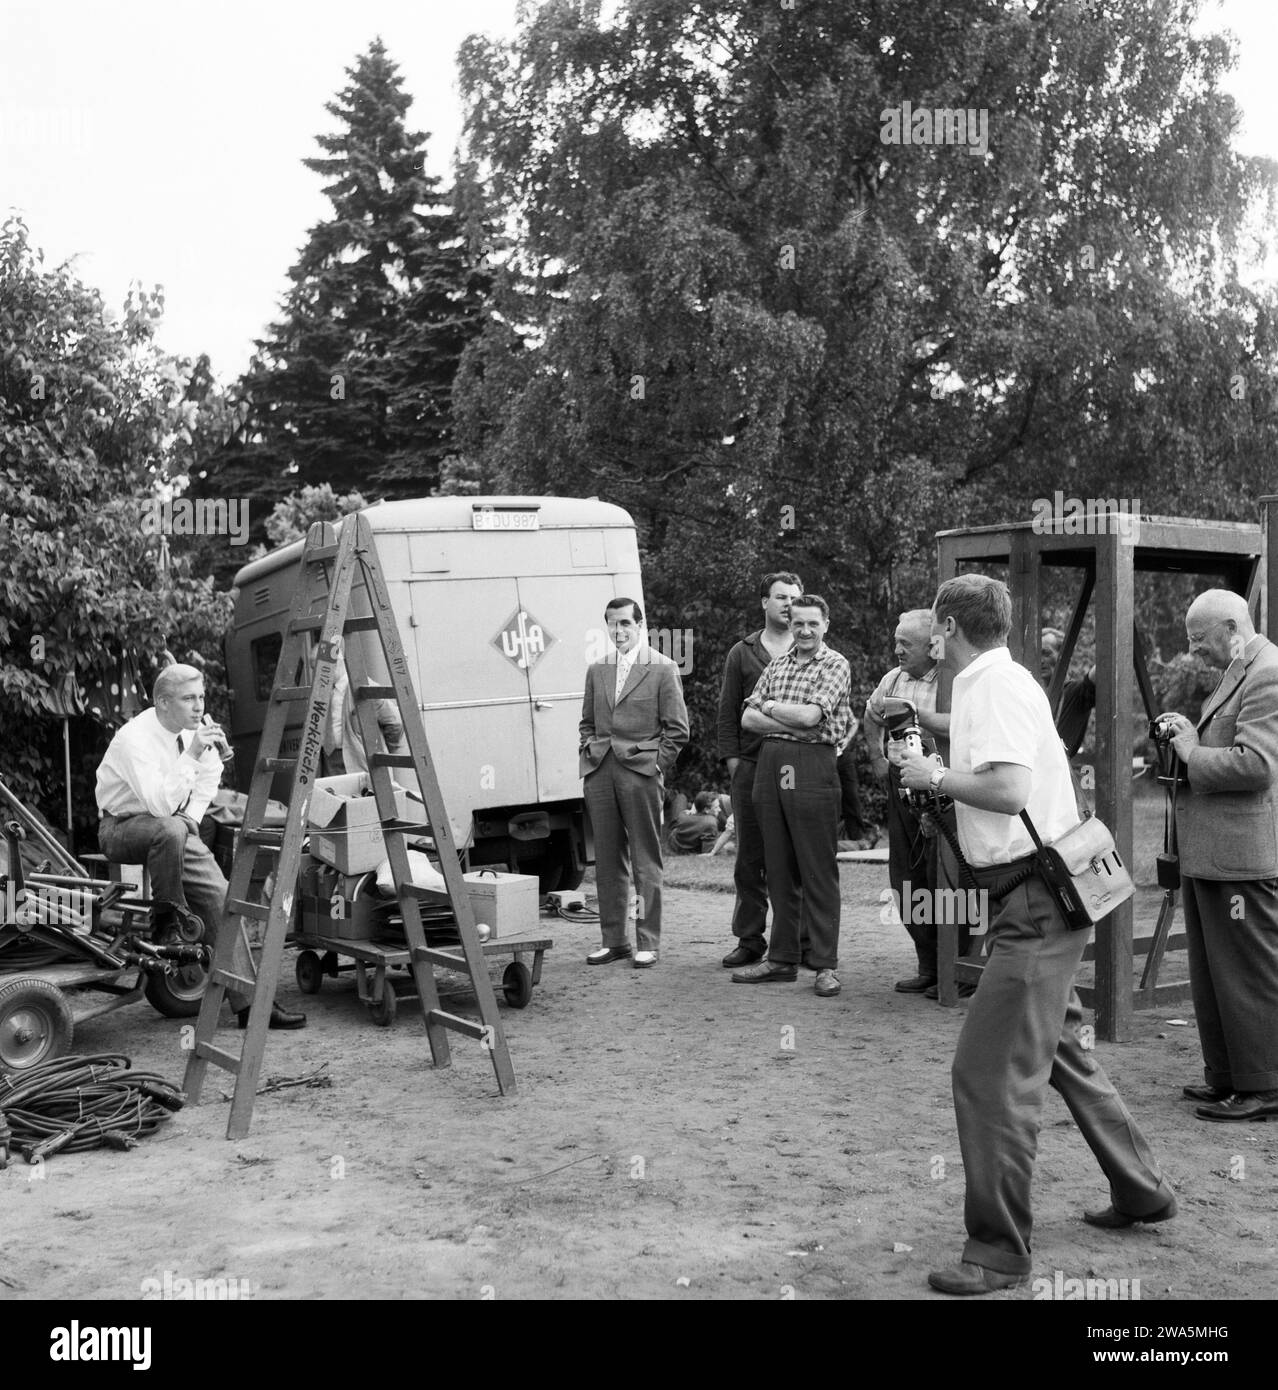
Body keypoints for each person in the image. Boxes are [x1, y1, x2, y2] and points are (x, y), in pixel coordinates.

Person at [895, 575, 1174, 1295]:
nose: (927, 636)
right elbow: (1001, 754)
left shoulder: (988, 687)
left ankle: (996, 1252)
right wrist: (927, 729)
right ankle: (1141, 1187)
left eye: (931, 624)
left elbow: (1010, 789)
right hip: (1045, 896)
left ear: (947, 626)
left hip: (1032, 904)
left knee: (987, 1074)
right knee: (1061, 1053)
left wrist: (932, 774)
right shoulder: (1004, 679)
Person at [96, 664, 306, 1029]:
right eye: (189, 698)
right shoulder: (134, 739)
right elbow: (159, 806)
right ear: (162, 702)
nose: (198, 706)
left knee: (221, 896)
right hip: (122, 828)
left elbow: (210, 778)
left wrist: (193, 817)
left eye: (202, 697)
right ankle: (168, 922)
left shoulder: (194, 733)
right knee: (171, 829)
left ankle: (249, 1006)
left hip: (173, 830)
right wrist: (192, 753)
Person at [1157, 588, 1278, 1121]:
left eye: (1199, 639)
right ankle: (1228, 1077)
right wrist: (1189, 734)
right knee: (1213, 975)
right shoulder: (1240, 670)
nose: (1193, 651)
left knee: (1247, 976)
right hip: (1212, 854)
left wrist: (1191, 751)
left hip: (1242, 857)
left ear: (1231, 627)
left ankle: (1264, 1087)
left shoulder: (1267, 671)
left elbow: (1257, 765)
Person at [732, 595, 853, 998]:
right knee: (777, 866)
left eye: (812, 624)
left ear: (825, 624)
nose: (804, 631)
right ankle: (782, 959)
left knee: (817, 868)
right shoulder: (777, 664)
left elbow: (811, 718)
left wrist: (773, 711)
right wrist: (784, 716)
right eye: (798, 623)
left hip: (812, 766)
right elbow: (747, 719)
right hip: (771, 765)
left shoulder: (835, 664)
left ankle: (824, 965)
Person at [863, 609, 971, 998]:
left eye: (904, 644)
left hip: (947, 786)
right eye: (895, 641)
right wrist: (877, 758)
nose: (896, 650)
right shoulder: (892, 679)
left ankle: (959, 969)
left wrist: (916, 716)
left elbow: (964, 725)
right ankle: (929, 966)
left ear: (933, 645)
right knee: (906, 878)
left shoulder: (955, 679)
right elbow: (871, 713)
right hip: (903, 784)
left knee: (947, 877)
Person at [579, 599, 689, 967]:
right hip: (599, 772)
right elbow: (587, 723)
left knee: (645, 859)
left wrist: (655, 765)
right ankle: (614, 940)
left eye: (626, 623)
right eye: (612, 624)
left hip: (640, 773)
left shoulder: (663, 668)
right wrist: (589, 751)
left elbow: (677, 730)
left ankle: (647, 942)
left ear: (641, 625)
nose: (619, 631)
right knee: (607, 861)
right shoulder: (597, 669)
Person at [715, 572, 805, 967]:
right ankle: (750, 938)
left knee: (795, 855)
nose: (788, 604)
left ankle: (796, 940)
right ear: (764, 603)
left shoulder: (811, 649)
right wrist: (735, 764)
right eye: (781, 597)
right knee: (749, 857)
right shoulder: (743, 652)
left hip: (797, 766)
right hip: (751, 767)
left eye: (795, 598)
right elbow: (727, 713)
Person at [322, 662, 405, 777]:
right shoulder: (325, 691)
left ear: (334, 666)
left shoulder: (364, 685)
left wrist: (385, 750)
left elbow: (394, 721)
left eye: (316, 667)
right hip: (331, 761)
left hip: (359, 760)